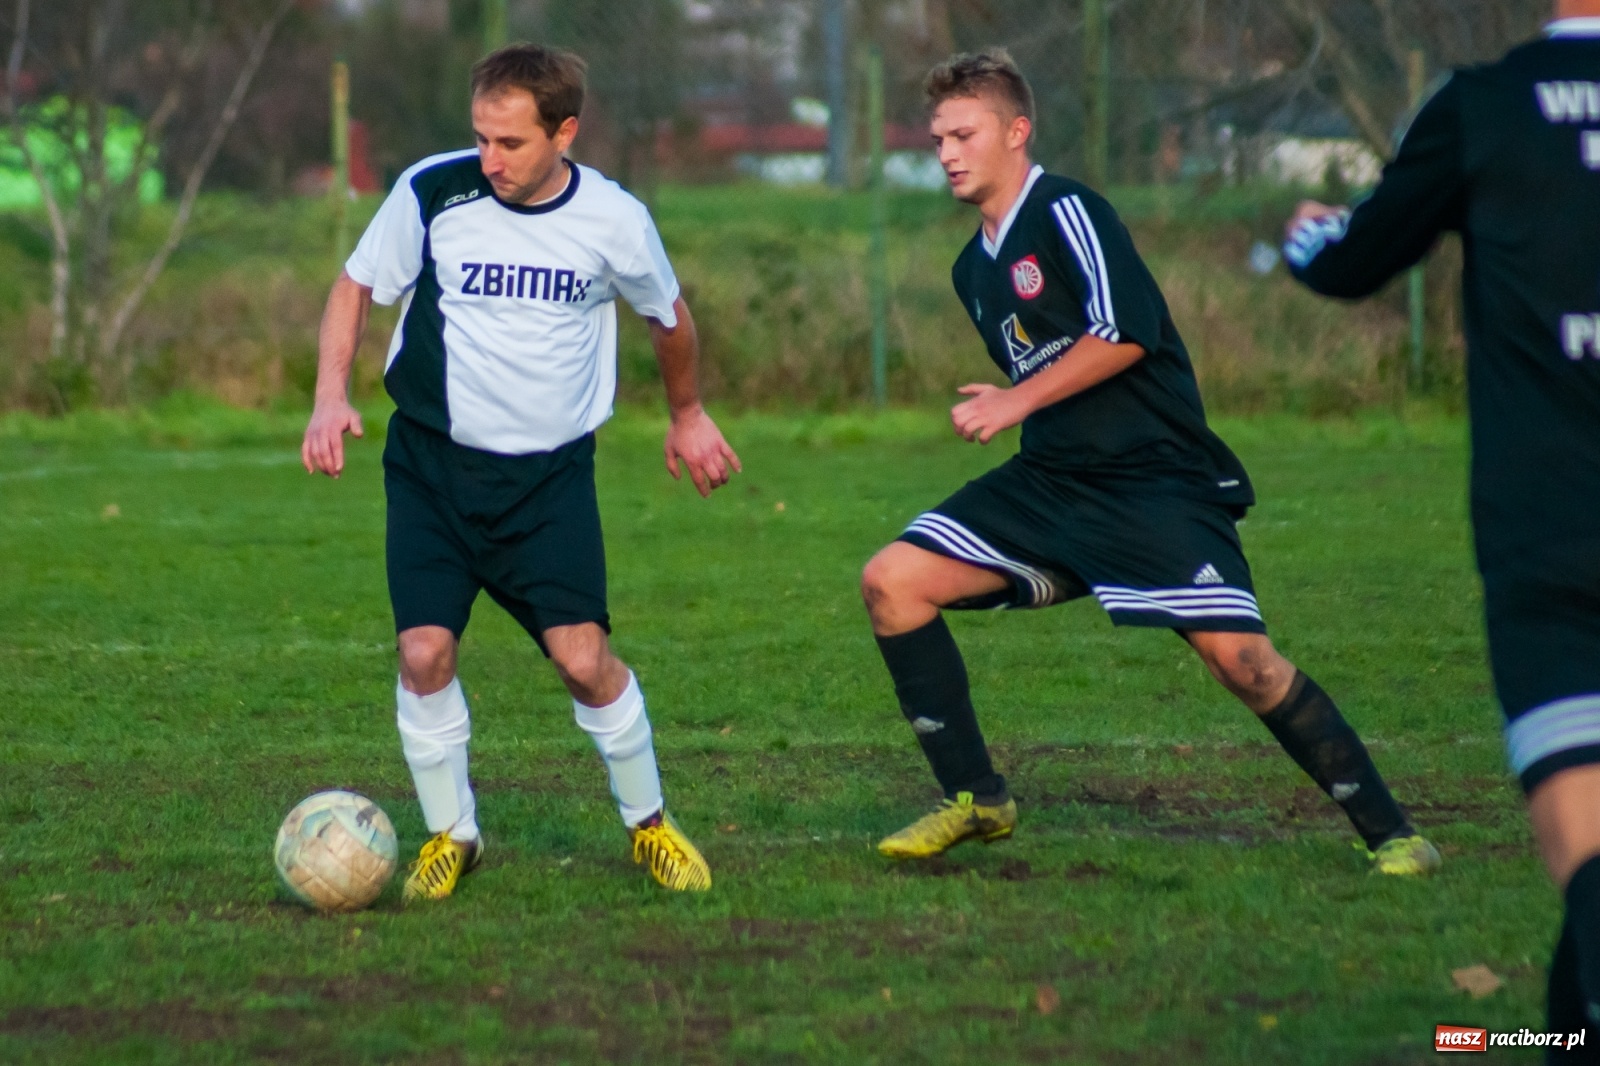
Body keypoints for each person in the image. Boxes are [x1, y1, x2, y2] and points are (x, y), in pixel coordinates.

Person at [860, 48, 1439, 877]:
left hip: (1157, 481)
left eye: (964, 133)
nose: (947, 151)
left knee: (1243, 664)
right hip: (1056, 483)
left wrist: (1014, 402)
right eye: (938, 138)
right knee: (893, 581)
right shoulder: (972, 267)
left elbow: (1126, 334)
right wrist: (1016, 387)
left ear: (1016, 132)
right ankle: (977, 799)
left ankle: (1395, 836)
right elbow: (1057, 360)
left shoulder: (1067, 211)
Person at [301, 43, 740, 900]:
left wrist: (688, 414)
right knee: (423, 651)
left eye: (511, 143)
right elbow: (356, 284)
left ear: (565, 132)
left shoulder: (615, 220)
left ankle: (649, 824)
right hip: (430, 468)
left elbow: (668, 318)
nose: (490, 160)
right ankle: (452, 836)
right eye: (481, 138)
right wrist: (328, 395)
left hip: (547, 484)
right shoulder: (435, 188)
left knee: (584, 662)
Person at [1284, 2, 1600, 1048]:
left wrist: (1305, 239)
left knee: (1587, 861)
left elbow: (1353, 258)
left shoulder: (1484, 106)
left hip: (1552, 541)